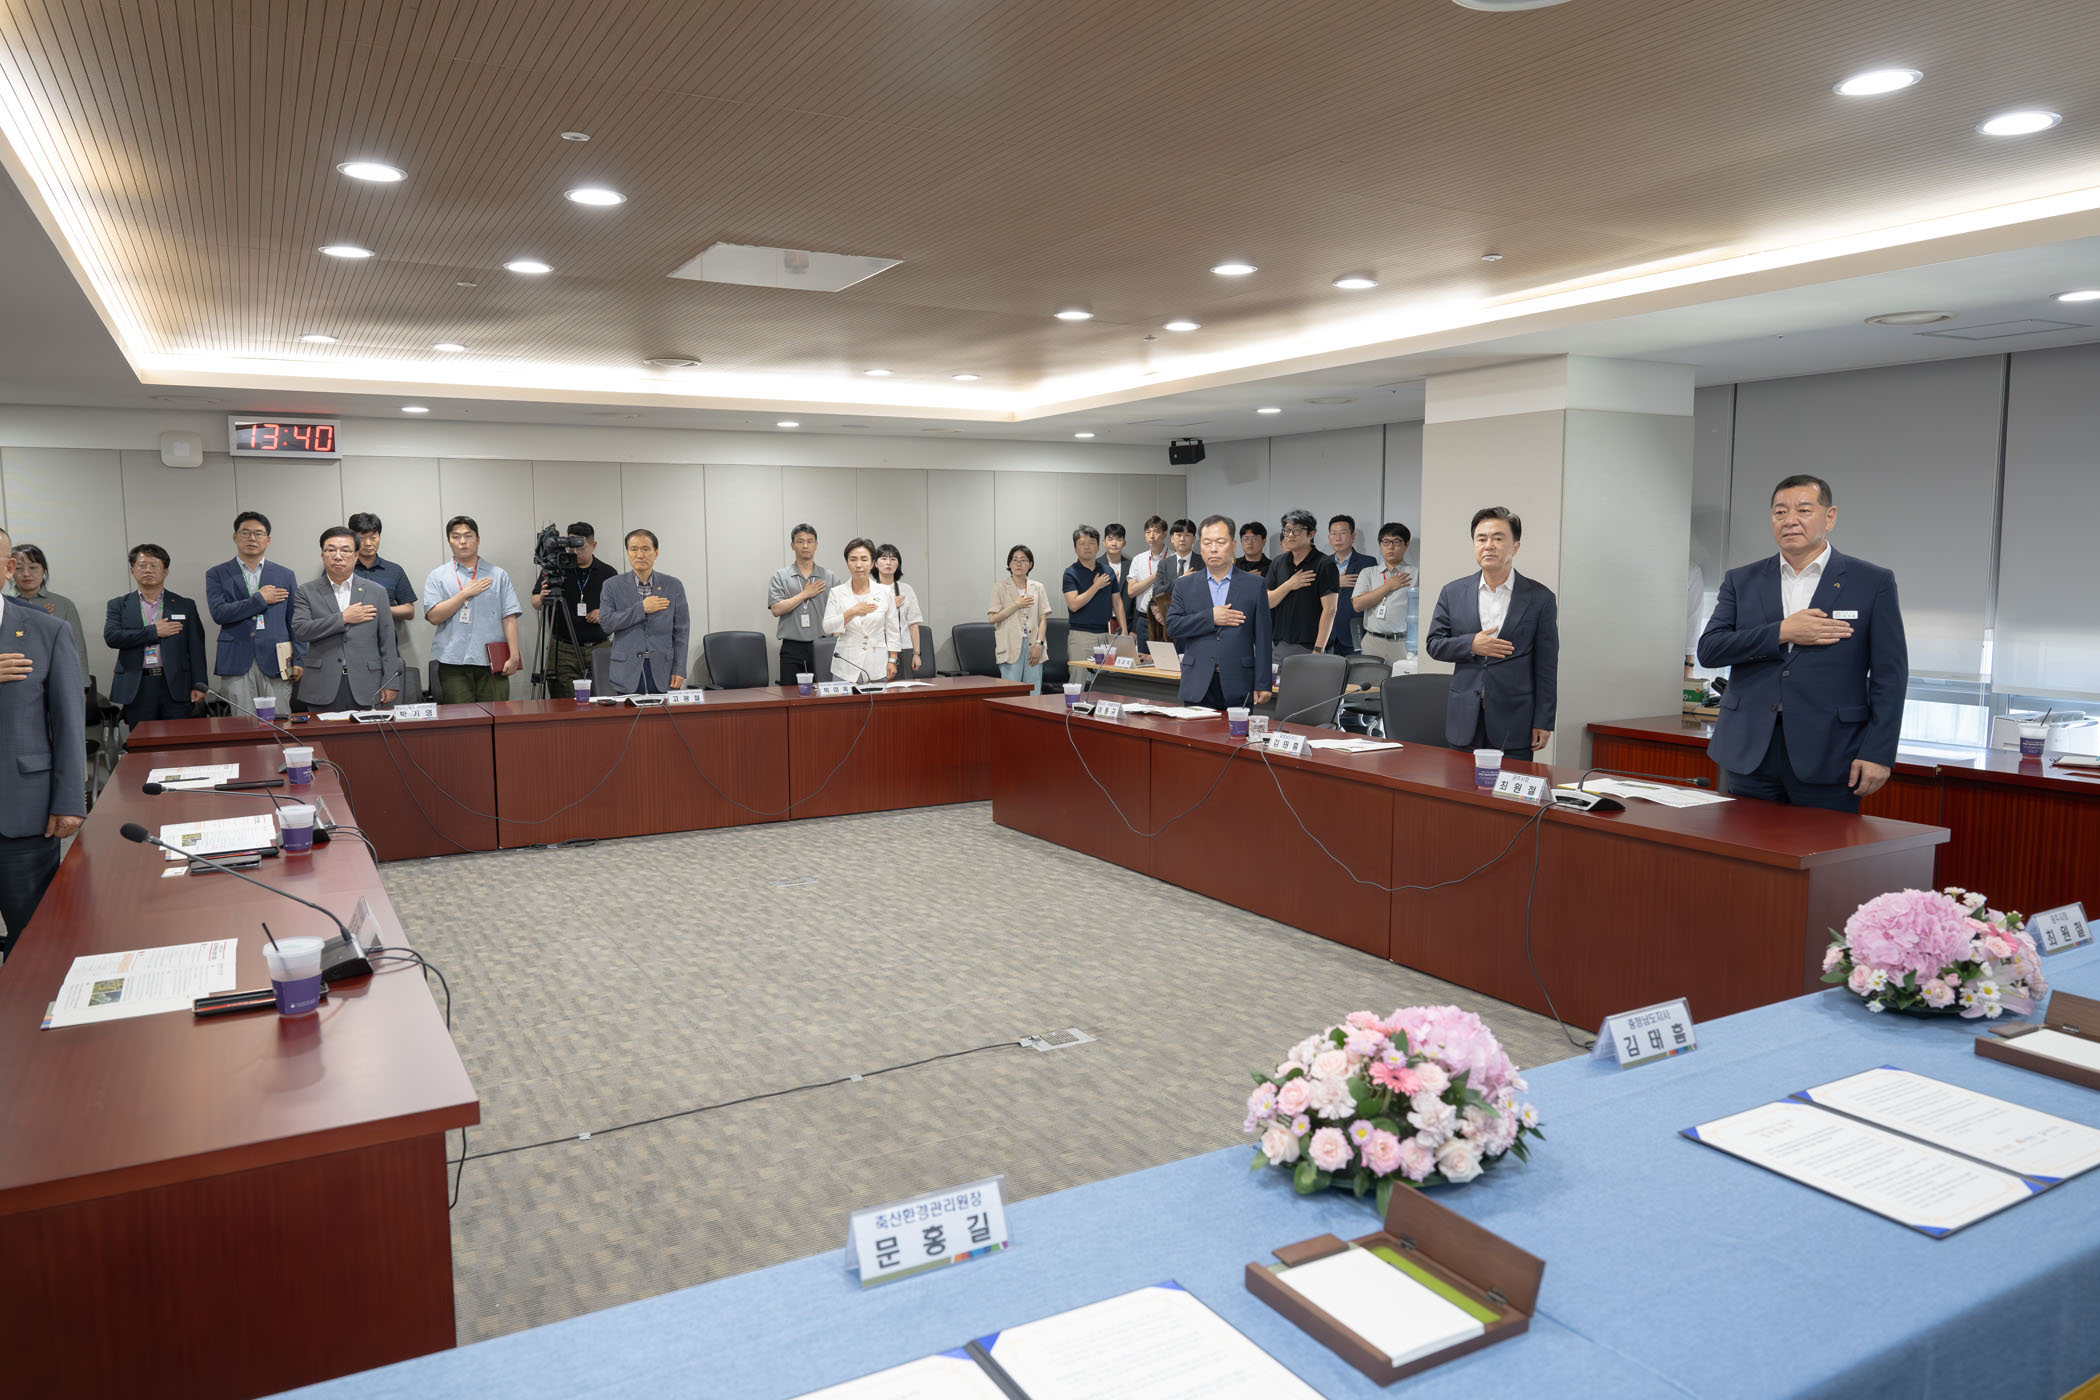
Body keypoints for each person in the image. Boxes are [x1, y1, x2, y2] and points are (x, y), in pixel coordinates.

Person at [1698, 475, 1907, 812]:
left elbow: (1890, 676)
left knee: (1823, 844)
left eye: (1804, 510)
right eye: (1780, 512)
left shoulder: (1872, 582)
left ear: (1830, 517)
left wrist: (1878, 753)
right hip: (1750, 749)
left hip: (1831, 751)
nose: (1790, 520)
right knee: (1746, 843)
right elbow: (1710, 649)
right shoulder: (1742, 579)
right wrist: (1781, 632)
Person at [0, 525, 85, 957]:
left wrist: (70, 800)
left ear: (8, 568)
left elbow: (68, 720)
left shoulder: (46, 629)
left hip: (22, 812)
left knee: (34, 940)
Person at [1425, 507, 1558, 762]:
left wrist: (1543, 720)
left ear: (1515, 546)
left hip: (1515, 720)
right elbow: (1434, 643)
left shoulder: (1540, 598)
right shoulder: (1453, 592)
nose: (1488, 546)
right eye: (1481, 539)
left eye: (1498, 538)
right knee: (1460, 785)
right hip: (1465, 718)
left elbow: (1546, 665)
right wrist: (1471, 644)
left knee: (1510, 786)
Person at [1166, 515, 1273, 710]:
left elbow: (1263, 638)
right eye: (1207, 543)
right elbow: (1173, 627)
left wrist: (1263, 683)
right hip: (1197, 681)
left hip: (1239, 681)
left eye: (1220, 542)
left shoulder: (1254, 584)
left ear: (1233, 545)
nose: (1213, 548)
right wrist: (1211, 617)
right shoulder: (1184, 584)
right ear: (1200, 547)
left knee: (1237, 731)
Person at [291, 527, 403, 711]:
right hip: (322, 684)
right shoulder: (306, 591)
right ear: (322, 555)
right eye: (331, 550)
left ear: (356, 555)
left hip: (368, 683)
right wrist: (343, 618)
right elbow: (301, 630)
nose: (337, 556)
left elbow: (388, 641)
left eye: (345, 550)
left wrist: (391, 682)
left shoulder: (376, 592)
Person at [205, 511, 303, 716]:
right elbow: (219, 613)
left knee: (280, 720)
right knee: (243, 724)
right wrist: (259, 599)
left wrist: (300, 659)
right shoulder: (217, 574)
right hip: (236, 659)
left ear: (268, 540)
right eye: (245, 532)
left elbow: (294, 620)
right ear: (235, 537)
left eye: (258, 533)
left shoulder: (285, 575)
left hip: (277, 659)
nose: (252, 538)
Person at [421, 516, 522, 702]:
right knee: (461, 717)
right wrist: (464, 594)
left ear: (478, 539)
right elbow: (434, 617)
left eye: (468, 536)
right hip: (452, 662)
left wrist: (514, 655)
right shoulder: (437, 576)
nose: (462, 541)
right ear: (449, 541)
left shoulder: (498, 575)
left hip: (493, 661)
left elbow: (509, 617)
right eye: (456, 537)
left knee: (497, 714)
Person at [105, 543, 206, 725]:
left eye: (154, 565)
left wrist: (199, 684)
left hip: (175, 684)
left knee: (178, 739)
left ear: (165, 571)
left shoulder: (185, 605)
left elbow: (196, 647)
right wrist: (153, 631)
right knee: (142, 739)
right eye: (142, 565)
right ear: (132, 571)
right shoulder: (119, 605)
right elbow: (112, 637)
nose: (148, 570)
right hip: (138, 684)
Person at [530, 521, 618, 693]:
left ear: (594, 545)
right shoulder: (555, 569)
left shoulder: (608, 573)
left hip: (599, 646)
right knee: (564, 700)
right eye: (572, 548)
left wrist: (604, 612)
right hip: (563, 649)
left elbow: (621, 608)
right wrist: (541, 598)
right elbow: (535, 601)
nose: (576, 553)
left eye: (581, 548)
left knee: (603, 697)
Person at [598, 529, 690, 693]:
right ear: (627, 553)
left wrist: (680, 668)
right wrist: (641, 609)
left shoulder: (673, 585)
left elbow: (682, 631)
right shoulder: (611, 585)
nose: (640, 555)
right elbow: (606, 624)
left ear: (656, 552)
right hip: (626, 670)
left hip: (664, 669)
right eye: (634, 549)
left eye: (646, 549)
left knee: (663, 711)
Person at [1264, 508, 1339, 660]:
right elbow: (1267, 601)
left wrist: (1318, 650)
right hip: (1281, 644)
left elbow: (1330, 609)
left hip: (1311, 645)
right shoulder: (1278, 562)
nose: (1290, 535)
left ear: (1311, 534)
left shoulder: (1324, 564)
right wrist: (1289, 585)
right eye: (1287, 530)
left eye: (1297, 530)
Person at [822, 538, 899, 683]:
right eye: (853, 559)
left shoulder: (885, 592)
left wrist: (892, 659)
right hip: (845, 664)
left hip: (877, 664)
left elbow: (893, 629)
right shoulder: (836, 593)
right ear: (847, 563)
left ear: (872, 563)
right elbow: (828, 627)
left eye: (864, 559)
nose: (858, 565)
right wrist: (852, 611)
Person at [769, 524, 837, 685]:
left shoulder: (830, 577)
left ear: (816, 545)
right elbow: (776, 609)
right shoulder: (781, 576)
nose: (805, 546)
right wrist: (805, 594)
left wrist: (835, 643)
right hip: (792, 647)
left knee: (825, 694)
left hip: (823, 645)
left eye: (809, 541)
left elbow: (839, 615)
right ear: (792, 545)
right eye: (800, 541)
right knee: (791, 694)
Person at [5, 543, 89, 671]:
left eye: (33, 567)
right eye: (19, 568)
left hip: (55, 672)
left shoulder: (63, 604)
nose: (26, 573)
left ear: (43, 569)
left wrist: (81, 680)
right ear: (10, 570)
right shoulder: (4, 602)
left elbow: (77, 647)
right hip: (12, 674)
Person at [1351, 522, 1414, 671]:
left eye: (1396, 542)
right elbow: (1358, 605)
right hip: (1373, 641)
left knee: (1402, 682)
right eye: (1386, 542)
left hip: (1403, 642)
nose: (1390, 547)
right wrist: (1388, 587)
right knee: (1370, 682)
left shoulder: (1415, 574)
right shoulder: (1368, 573)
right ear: (1380, 545)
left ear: (1406, 544)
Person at [988, 545, 1050, 692]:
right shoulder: (1000, 587)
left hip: (1033, 644)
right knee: (1010, 692)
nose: (1018, 563)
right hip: (1009, 645)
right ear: (1009, 564)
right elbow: (992, 618)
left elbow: (1043, 619)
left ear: (1030, 564)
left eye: (1023, 560)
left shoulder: (1038, 587)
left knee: (1034, 690)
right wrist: (1015, 605)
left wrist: (1039, 644)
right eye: (1015, 560)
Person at [1061, 525, 1126, 662]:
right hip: (1081, 635)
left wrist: (1124, 630)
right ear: (1075, 548)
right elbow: (1074, 605)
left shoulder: (1107, 571)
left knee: (1105, 675)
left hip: (1106, 634)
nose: (1087, 547)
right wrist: (1096, 586)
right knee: (1080, 674)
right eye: (1082, 543)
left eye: (1091, 543)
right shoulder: (1070, 573)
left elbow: (1117, 602)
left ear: (1097, 547)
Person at [347, 512, 418, 625]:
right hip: (347, 633)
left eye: (373, 538)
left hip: (385, 633)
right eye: (361, 538)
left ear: (379, 537)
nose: (368, 543)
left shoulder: (395, 570)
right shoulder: (340, 569)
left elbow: (409, 611)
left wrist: (380, 610)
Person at [1326, 515, 1378, 656]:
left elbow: (1370, 596)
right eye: (1333, 533)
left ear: (1353, 537)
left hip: (1355, 632)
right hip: (1327, 634)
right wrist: (1335, 582)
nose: (1338, 538)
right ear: (1329, 537)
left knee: (1357, 670)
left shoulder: (1367, 563)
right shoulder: (1323, 563)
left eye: (1343, 533)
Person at [874, 544, 925, 675]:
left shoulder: (906, 590)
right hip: (876, 648)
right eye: (884, 558)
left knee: (904, 685)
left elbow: (913, 623)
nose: (888, 563)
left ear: (898, 564)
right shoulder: (869, 590)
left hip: (904, 647)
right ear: (875, 563)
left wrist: (916, 653)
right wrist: (890, 606)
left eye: (893, 559)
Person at [1124, 515, 1170, 630]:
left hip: (1167, 618)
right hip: (1143, 619)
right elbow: (1131, 591)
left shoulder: (1174, 558)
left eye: (1156, 531)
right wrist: (1156, 575)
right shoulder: (1138, 559)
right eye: (1148, 532)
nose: (1152, 536)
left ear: (1164, 534)